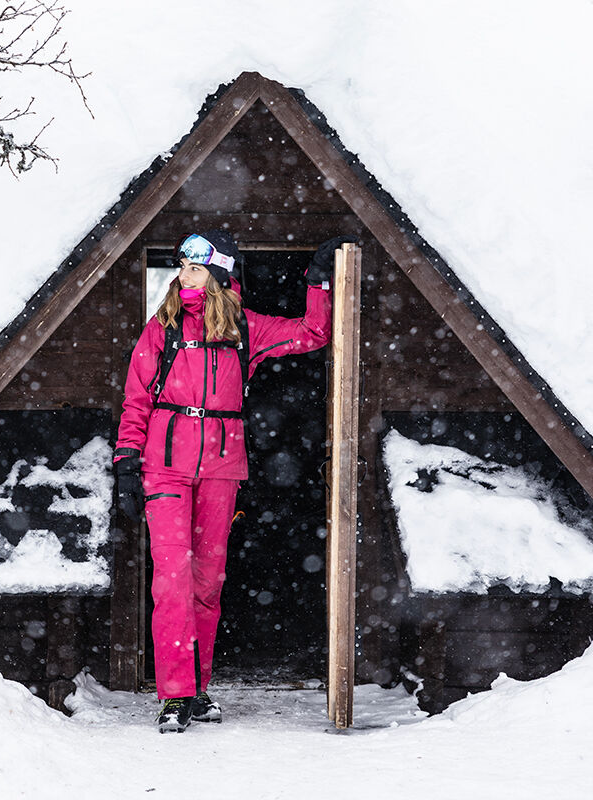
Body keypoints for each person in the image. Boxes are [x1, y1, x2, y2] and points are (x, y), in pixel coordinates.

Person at [113, 230, 349, 733]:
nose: (182, 275)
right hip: (165, 466)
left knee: (206, 584)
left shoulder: (245, 328)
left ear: (219, 273)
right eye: (180, 266)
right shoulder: (163, 327)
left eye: (193, 268)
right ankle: (175, 695)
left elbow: (313, 333)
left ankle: (198, 689)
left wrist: (321, 279)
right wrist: (127, 463)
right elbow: (137, 399)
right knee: (171, 580)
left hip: (221, 468)